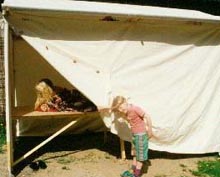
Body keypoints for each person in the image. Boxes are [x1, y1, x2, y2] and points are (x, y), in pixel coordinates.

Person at [111, 96, 153, 177]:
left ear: (125, 102)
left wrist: (150, 130)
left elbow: (147, 116)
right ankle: (133, 171)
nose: (120, 110)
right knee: (135, 154)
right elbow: (113, 109)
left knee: (140, 156)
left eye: (120, 107)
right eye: (118, 108)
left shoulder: (135, 108)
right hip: (134, 135)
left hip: (141, 135)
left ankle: (136, 175)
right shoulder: (126, 111)